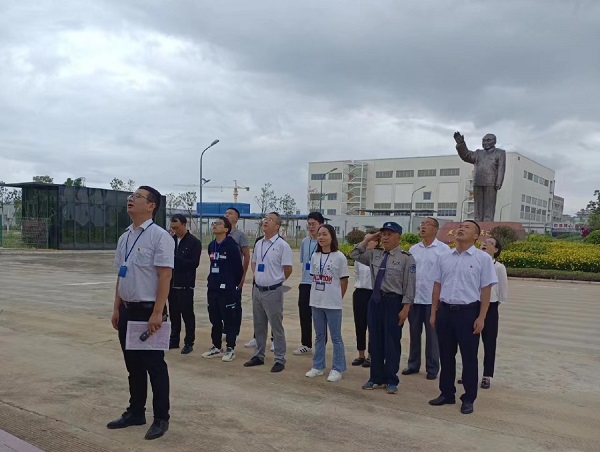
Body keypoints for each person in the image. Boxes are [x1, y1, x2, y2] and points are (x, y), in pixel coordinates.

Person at [107, 186, 174, 440]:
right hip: (127, 310)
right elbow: (121, 274)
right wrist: (116, 307)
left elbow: (165, 276)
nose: (131, 199)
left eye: (137, 197)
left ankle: (161, 418)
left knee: (155, 367)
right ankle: (136, 411)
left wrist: (157, 313)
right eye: (131, 196)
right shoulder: (125, 236)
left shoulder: (159, 237)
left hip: (149, 312)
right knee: (133, 366)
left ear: (151, 206)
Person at [428, 220, 498, 415]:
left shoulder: (482, 259)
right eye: (460, 226)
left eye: (467, 227)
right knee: (446, 355)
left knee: (469, 358)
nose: (461, 229)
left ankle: (468, 398)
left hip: (468, 313)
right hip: (445, 312)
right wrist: (433, 313)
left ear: (476, 236)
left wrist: (481, 318)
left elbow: (486, 290)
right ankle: (446, 393)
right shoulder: (444, 257)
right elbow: (437, 286)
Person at [350, 222, 416, 394]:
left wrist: (406, 308)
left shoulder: (406, 258)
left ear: (398, 237)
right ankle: (375, 378)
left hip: (394, 302)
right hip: (375, 301)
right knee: (375, 341)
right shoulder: (375, 255)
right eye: (383, 234)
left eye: (389, 234)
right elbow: (354, 254)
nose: (385, 237)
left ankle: (391, 379)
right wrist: (369, 239)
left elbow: (410, 285)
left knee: (391, 342)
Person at [244, 212, 293, 372]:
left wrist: (276, 281)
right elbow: (254, 263)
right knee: (259, 325)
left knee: (276, 326)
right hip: (257, 290)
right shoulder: (259, 243)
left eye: (270, 220)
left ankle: (280, 359)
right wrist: (258, 277)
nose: (266, 221)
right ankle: (258, 355)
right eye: (265, 219)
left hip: (273, 291)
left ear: (277, 226)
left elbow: (288, 269)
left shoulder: (282, 246)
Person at [402, 218, 450, 379]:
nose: (423, 227)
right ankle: (413, 364)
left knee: (432, 337)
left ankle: (432, 368)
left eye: (427, 224)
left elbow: (446, 275)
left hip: (432, 300)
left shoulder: (443, 250)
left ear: (436, 229)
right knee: (414, 334)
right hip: (415, 299)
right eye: (422, 224)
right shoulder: (413, 249)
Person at [305, 224, 349, 382]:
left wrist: (337, 297)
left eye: (325, 234)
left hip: (333, 303)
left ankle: (338, 368)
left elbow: (344, 281)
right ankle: (318, 366)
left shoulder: (340, 257)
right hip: (316, 301)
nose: (321, 237)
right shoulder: (315, 256)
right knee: (319, 336)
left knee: (336, 337)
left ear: (332, 236)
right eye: (319, 235)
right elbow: (314, 277)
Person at [202, 217, 243, 362]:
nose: (215, 226)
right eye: (214, 223)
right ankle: (216, 347)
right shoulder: (211, 245)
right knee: (215, 319)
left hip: (227, 290)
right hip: (213, 288)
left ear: (226, 229)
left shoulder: (232, 246)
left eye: (218, 224)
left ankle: (230, 348)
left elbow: (238, 269)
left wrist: (231, 284)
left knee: (229, 320)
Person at [454, 131, 506, 222]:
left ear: (494, 141)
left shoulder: (499, 152)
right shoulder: (478, 153)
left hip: (491, 182)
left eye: (488, 140)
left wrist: (499, 182)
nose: (485, 142)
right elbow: (466, 155)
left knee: (489, 203)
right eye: (484, 140)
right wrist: (461, 144)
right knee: (478, 203)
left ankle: (488, 220)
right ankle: (477, 219)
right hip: (478, 181)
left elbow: (501, 167)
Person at [168, 214, 201, 354]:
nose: (175, 231)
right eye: (172, 228)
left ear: (184, 225)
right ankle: (174, 339)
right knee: (173, 314)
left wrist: (175, 259)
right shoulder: (170, 241)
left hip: (185, 284)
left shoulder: (194, 242)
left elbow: (194, 263)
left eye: (177, 227)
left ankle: (189, 342)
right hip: (171, 284)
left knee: (187, 314)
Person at [479, 237, 508, 389]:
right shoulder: (475, 263)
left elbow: (503, 292)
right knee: (469, 342)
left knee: (489, 342)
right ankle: (467, 372)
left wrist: (492, 305)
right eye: (484, 242)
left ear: (496, 250)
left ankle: (486, 375)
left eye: (490, 243)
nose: (485, 244)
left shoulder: (499, 267)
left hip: (491, 307)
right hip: (473, 305)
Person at [295, 212, 325, 355]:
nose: (311, 227)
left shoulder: (324, 242)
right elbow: (304, 262)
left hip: (319, 284)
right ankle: (306, 344)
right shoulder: (304, 242)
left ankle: (321, 344)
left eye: (314, 224)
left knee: (320, 316)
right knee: (304, 314)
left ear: (321, 224)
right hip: (305, 282)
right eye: (309, 224)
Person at [224, 207, 250, 341]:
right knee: (222, 303)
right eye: (226, 213)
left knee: (235, 303)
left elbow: (246, 255)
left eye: (230, 213)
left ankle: (235, 330)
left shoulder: (240, 235)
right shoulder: (222, 234)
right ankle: (225, 329)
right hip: (222, 275)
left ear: (236, 218)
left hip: (235, 275)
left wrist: (243, 275)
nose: (227, 215)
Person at [351, 239, 376, 368]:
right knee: (360, 325)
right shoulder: (359, 259)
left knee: (373, 325)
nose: (366, 243)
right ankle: (361, 354)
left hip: (373, 293)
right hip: (360, 293)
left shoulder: (378, 257)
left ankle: (372, 355)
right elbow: (356, 275)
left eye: (369, 240)